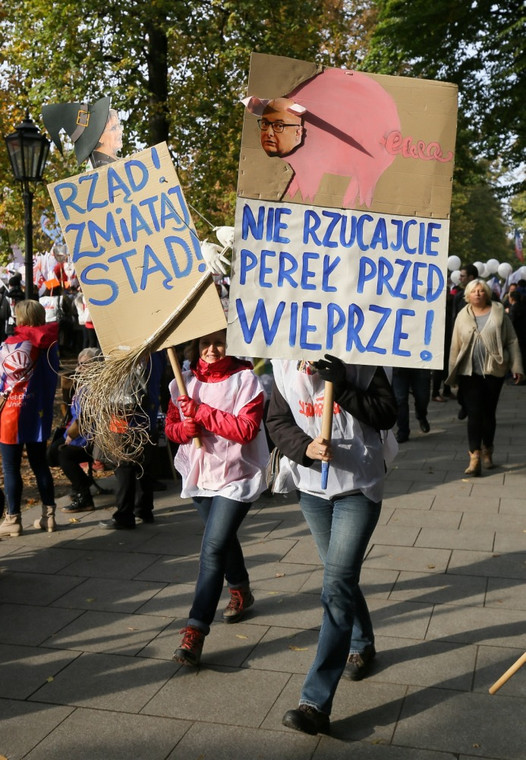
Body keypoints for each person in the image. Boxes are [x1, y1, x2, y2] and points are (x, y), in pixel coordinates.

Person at [265, 355, 397, 735]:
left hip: (358, 486)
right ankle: (362, 640)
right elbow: (277, 420)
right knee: (341, 577)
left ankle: (314, 703)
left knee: (336, 586)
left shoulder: (365, 360)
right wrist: (304, 448)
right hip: (312, 490)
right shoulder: (285, 364)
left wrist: (345, 386)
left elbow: (386, 413)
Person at [165, 329, 269, 666]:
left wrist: (201, 413)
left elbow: (246, 430)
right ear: (195, 344)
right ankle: (240, 588)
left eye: (219, 341)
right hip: (200, 475)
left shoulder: (247, 379)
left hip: (238, 476)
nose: (211, 348)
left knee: (211, 549)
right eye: (204, 341)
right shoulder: (182, 382)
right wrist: (184, 429)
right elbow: (170, 427)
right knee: (221, 540)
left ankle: (195, 631)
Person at [447, 279, 524, 475]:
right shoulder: (462, 316)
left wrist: (516, 367)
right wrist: (452, 374)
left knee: (488, 413)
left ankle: (488, 450)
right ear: (468, 295)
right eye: (474, 291)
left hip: (494, 371)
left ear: (487, 293)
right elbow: (455, 346)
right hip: (468, 372)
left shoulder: (499, 312)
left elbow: (512, 340)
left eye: (481, 291)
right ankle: (474, 456)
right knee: (474, 414)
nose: (478, 294)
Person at [0, 300, 59, 536]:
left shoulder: (7, 345)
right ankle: (49, 516)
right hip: (37, 412)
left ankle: (13, 519)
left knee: (11, 468)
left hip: (10, 415)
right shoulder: (49, 344)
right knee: (40, 464)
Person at [98, 350, 166, 529]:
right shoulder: (157, 352)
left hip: (127, 417)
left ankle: (124, 514)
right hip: (146, 416)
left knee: (124, 467)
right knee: (143, 465)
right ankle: (143, 509)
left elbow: (126, 391)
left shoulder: (132, 351)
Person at [47, 348, 103, 513]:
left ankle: (84, 496)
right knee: (51, 454)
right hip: (77, 433)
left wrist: (71, 435)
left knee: (65, 454)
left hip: (92, 438)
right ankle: (81, 483)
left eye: (85, 365)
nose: (80, 368)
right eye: (79, 364)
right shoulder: (82, 384)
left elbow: (86, 419)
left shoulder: (96, 387)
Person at [392, 367, 431, 443]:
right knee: (400, 400)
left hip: (421, 365)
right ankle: (403, 430)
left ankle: (421, 415)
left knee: (422, 397)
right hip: (398, 367)